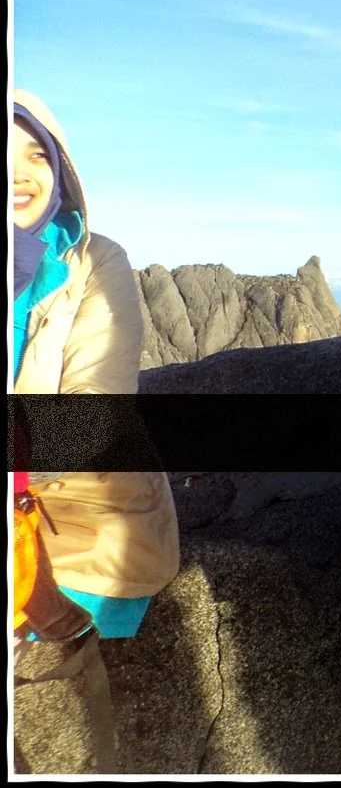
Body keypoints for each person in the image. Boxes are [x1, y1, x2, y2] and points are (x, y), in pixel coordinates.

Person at [12, 90, 181, 773]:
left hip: (78, 520)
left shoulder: (91, 262)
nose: (20, 172)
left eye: (34, 154)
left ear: (60, 168)